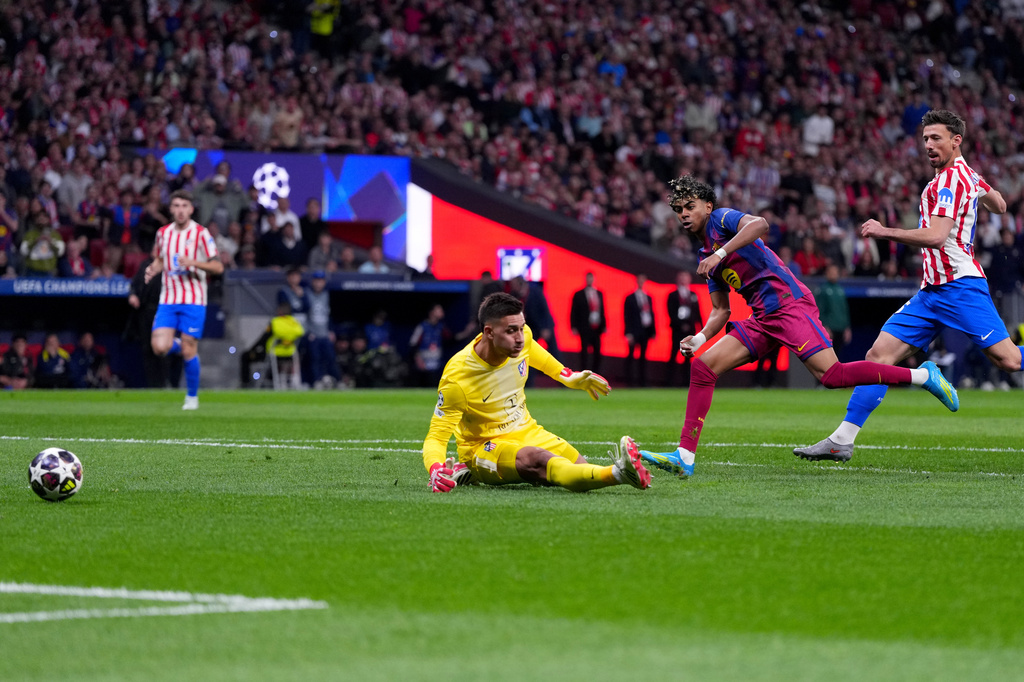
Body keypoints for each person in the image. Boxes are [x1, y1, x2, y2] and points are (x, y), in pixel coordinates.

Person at [637, 174, 959, 477]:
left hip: (789, 305)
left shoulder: (722, 220)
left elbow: (760, 224)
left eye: (690, 206)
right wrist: (700, 338)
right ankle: (684, 457)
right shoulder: (704, 254)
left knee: (832, 377)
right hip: (762, 317)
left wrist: (721, 253)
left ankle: (923, 376)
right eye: (678, 209)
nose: (684, 214)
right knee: (703, 368)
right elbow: (721, 310)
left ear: (708, 206)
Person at [795, 110, 1024, 462]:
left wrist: (883, 230)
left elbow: (935, 237)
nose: (928, 145)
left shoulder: (950, 181)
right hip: (931, 292)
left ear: (956, 141)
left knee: (1009, 359)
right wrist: (982, 189)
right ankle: (842, 440)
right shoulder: (965, 175)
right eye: (926, 139)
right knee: (878, 357)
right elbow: (1001, 205)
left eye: (936, 138)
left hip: (961, 287)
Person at [421, 292, 649, 493]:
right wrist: (435, 468)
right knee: (538, 461)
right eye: (511, 331)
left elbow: (539, 357)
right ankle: (619, 473)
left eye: (521, 328)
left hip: (527, 430)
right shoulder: (458, 377)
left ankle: (616, 473)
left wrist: (568, 376)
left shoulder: (522, 339)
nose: (520, 337)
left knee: (580, 469)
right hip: (484, 447)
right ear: (489, 332)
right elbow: (436, 437)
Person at [144, 190, 224, 410]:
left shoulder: (201, 233)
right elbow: (160, 259)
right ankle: (181, 343)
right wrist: (153, 269)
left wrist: (193, 262)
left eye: (184, 206)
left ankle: (192, 397)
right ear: (171, 209)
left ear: (191, 209)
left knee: (189, 351)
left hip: (194, 300)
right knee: (159, 347)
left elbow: (218, 266)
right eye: (177, 206)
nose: (180, 210)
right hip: (168, 299)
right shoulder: (163, 233)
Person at [666, 270, 702, 386]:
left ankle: (686, 381)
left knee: (688, 356)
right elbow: (671, 312)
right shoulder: (673, 295)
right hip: (677, 329)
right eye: (681, 277)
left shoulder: (693, 295)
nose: (683, 279)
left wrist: (701, 327)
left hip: (690, 330)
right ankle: (669, 381)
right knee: (674, 353)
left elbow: (697, 312)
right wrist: (680, 324)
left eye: (685, 277)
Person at [569, 272, 606, 374]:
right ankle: (584, 373)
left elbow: (602, 310)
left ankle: (596, 373)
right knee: (584, 353)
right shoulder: (579, 294)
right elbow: (574, 311)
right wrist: (573, 326)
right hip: (584, 327)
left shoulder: (599, 293)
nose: (590, 280)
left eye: (591, 278)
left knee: (597, 352)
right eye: (588, 278)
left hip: (597, 328)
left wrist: (604, 325)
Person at [623, 273, 656, 386]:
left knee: (643, 357)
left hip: (645, 330)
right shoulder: (630, 298)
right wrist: (628, 332)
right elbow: (626, 316)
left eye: (643, 280)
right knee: (631, 356)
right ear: (636, 281)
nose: (641, 282)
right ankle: (629, 381)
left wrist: (653, 331)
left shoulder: (648, 297)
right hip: (634, 331)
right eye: (640, 280)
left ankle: (642, 381)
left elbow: (651, 314)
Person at [816, 263, 852, 360]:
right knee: (828, 358)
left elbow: (844, 309)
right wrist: (824, 327)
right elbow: (820, 310)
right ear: (827, 273)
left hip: (841, 328)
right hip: (830, 329)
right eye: (831, 272)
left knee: (838, 356)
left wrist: (847, 328)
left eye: (835, 272)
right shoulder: (823, 290)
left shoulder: (840, 289)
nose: (833, 274)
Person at [409, 303, 451, 387]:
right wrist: (418, 360)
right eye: (439, 310)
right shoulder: (422, 327)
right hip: (423, 364)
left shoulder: (441, 327)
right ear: (432, 312)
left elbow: (452, 338)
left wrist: (467, 331)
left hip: (437, 364)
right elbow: (412, 344)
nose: (442, 312)